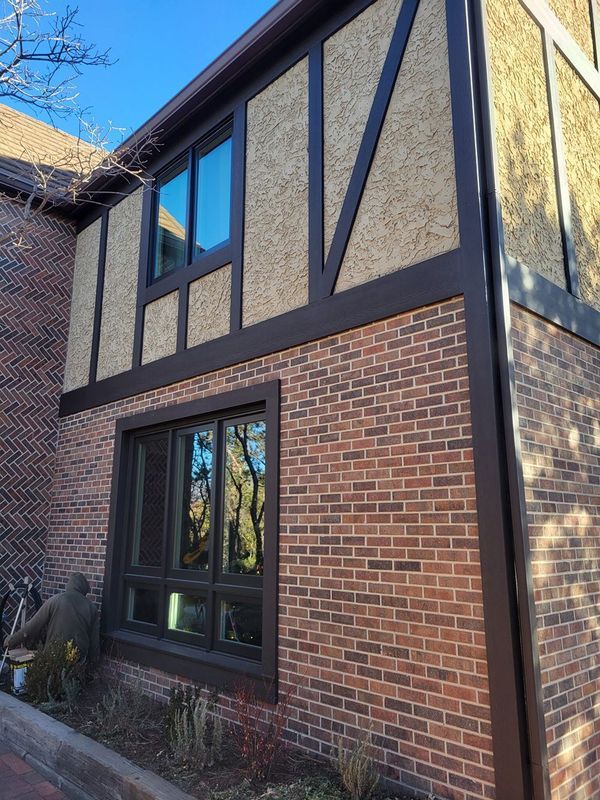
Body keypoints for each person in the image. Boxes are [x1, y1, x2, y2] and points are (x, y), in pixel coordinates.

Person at [2, 572, 99, 663]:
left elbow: (32, 626)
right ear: (84, 589)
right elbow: (94, 643)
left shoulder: (56, 600)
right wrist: (92, 665)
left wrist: (12, 640)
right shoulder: (92, 608)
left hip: (54, 655)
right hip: (78, 658)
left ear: (69, 585)